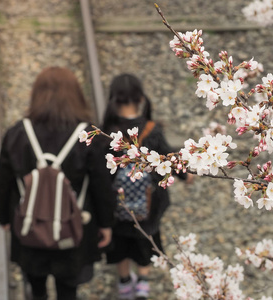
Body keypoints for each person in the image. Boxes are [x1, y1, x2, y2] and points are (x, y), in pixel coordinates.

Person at [0, 66, 116, 300]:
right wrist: (106, 223)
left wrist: (3, 216)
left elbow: (4, 180)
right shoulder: (87, 136)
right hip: (73, 228)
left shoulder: (17, 133)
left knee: (35, 286)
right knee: (68, 289)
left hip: (30, 226)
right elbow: (102, 185)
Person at [102, 73, 192, 300]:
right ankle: (142, 281)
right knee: (147, 238)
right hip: (149, 203)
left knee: (120, 243)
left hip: (117, 203)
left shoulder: (108, 132)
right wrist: (185, 176)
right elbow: (167, 159)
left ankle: (124, 283)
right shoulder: (152, 129)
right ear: (141, 98)